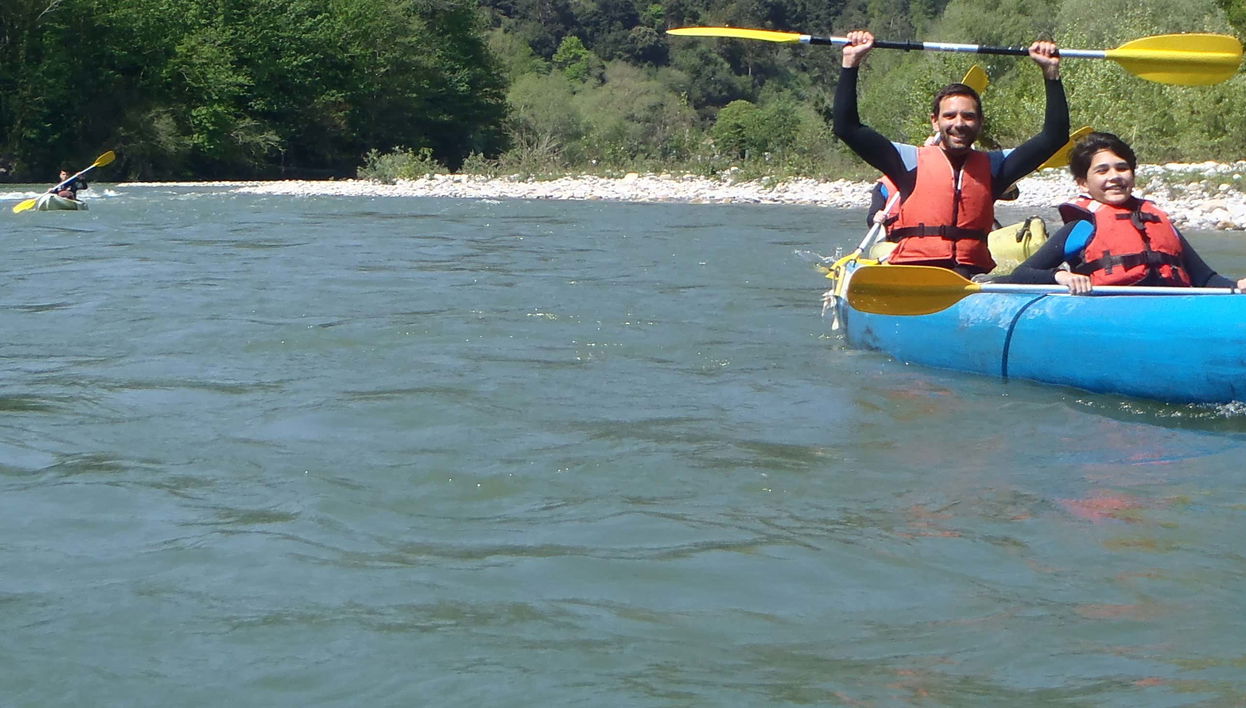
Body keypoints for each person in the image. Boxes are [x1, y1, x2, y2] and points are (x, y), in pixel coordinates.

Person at [834, 30, 1068, 277]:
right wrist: (851, 63)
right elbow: (847, 127)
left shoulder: (996, 167)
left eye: (968, 116)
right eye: (949, 116)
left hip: (970, 277)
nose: (959, 123)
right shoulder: (907, 162)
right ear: (935, 122)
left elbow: (1054, 137)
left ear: (980, 122)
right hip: (913, 273)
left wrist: (1050, 73)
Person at [998, 131, 1246, 292]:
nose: (1115, 177)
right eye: (1102, 171)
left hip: (1170, 305)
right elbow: (1024, 273)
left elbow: (1204, 277)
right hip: (1111, 309)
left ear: (1133, 175)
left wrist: (1236, 286)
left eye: (1122, 168)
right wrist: (1060, 276)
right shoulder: (1083, 226)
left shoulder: (1160, 221)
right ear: (1083, 183)